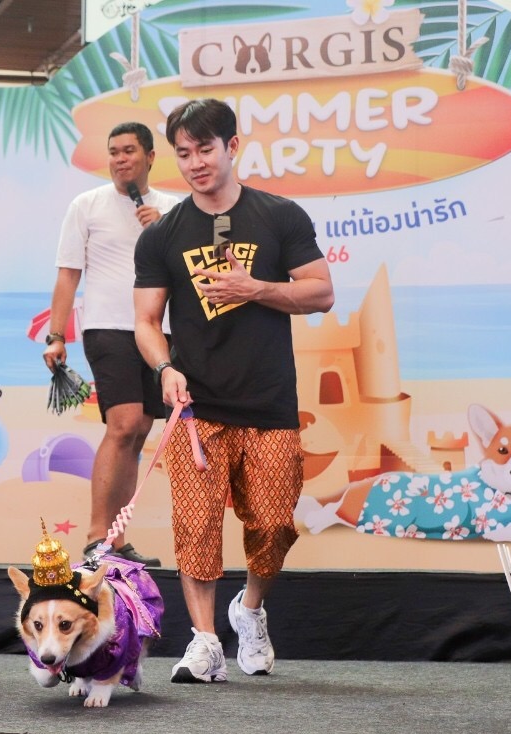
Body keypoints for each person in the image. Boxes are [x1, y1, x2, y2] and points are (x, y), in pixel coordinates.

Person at [132, 98, 333, 683]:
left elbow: (321, 292)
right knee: (196, 527)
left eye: (206, 149)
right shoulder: (162, 235)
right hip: (197, 408)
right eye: (184, 153)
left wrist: (255, 288)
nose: (195, 162)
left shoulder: (279, 216)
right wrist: (164, 368)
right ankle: (203, 642)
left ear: (233, 146)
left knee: (272, 526)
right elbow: (146, 321)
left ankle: (249, 609)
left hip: (269, 402)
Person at [42, 121, 180, 567]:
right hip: (107, 327)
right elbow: (68, 273)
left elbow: (190, 272)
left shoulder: (173, 210)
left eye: (129, 151)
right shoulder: (87, 205)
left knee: (139, 431)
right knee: (123, 424)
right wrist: (56, 335)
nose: (120, 159)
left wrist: (165, 231)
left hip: (158, 330)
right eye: (114, 151)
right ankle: (95, 536)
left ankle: (117, 540)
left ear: (150, 157)